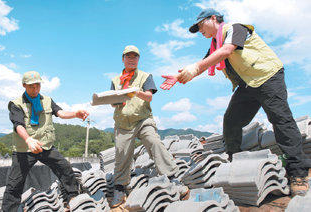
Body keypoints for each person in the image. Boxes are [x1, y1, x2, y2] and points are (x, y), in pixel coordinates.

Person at [160, 8, 311, 197]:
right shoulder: (215, 45)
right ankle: (235, 162)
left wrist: (196, 67)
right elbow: (205, 62)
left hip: (267, 77)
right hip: (247, 85)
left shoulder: (235, 29)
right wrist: (179, 76)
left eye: (200, 25)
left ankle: (298, 173)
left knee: (281, 120)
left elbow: (227, 50)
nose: (200, 31)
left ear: (213, 18)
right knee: (231, 122)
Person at [2, 71, 89, 211]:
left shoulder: (47, 100)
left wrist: (75, 114)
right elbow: (18, 124)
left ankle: (71, 198)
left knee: (65, 168)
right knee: (15, 184)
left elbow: (60, 113)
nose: (35, 89)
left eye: (37, 85)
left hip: (45, 146)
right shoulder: (16, 104)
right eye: (31, 86)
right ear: (24, 85)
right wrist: (28, 140)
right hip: (25, 149)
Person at [109, 45, 179, 207]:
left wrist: (135, 92)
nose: (132, 59)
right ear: (123, 59)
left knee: (154, 142)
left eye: (135, 57)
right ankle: (120, 188)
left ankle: (172, 176)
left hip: (142, 120)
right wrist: (115, 100)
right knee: (121, 154)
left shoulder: (146, 76)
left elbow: (148, 97)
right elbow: (113, 103)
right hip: (122, 123)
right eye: (129, 56)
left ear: (138, 59)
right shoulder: (115, 80)